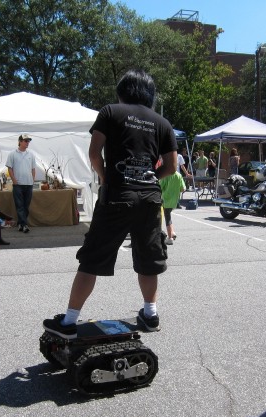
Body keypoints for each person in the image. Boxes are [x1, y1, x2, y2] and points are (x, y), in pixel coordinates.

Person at [43, 69, 177, 339]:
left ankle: (69, 322)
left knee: (92, 258)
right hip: (150, 199)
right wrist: (149, 178)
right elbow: (172, 167)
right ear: (149, 94)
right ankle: (150, 315)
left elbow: (94, 153)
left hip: (118, 194)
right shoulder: (162, 122)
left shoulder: (110, 112)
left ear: (123, 90)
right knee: (148, 259)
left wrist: (107, 178)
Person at [6, 134, 37, 233]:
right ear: (20, 141)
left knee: (26, 206)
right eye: (25, 141)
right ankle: (24, 225)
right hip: (18, 184)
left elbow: (33, 169)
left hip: (28, 183)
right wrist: (14, 180)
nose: (27, 143)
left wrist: (32, 180)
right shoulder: (12, 154)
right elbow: (9, 168)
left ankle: (20, 223)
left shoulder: (31, 155)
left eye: (28, 141)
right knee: (19, 205)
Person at [160, 170, 186, 244]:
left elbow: (160, 187)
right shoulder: (179, 175)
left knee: (167, 217)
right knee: (168, 215)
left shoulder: (166, 174)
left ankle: (170, 238)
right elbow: (183, 188)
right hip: (175, 200)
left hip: (166, 199)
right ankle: (172, 233)